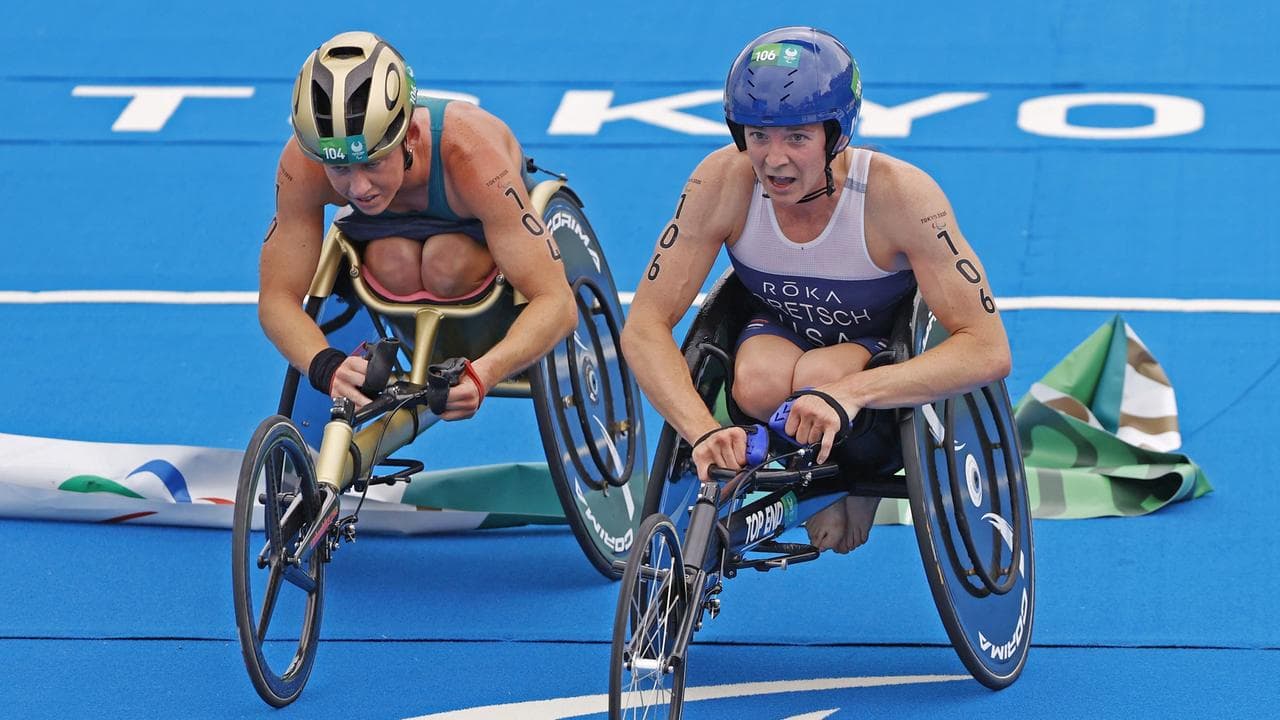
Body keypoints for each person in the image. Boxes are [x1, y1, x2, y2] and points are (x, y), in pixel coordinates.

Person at [621, 27, 1012, 554]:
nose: (774, 160)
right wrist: (700, 430)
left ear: (837, 133)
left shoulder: (900, 196)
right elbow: (643, 327)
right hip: (776, 349)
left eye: (797, 138)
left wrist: (852, 392)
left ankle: (846, 471)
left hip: (874, 372)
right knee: (757, 380)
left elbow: (988, 349)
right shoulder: (721, 182)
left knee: (820, 375)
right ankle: (803, 460)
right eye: (758, 135)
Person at [258, 31, 576, 419]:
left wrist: (486, 373)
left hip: (475, 239)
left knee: (446, 262)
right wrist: (326, 365)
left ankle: (468, 344)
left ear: (409, 136)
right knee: (394, 262)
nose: (358, 187)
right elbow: (277, 298)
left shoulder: (471, 156)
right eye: (339, 167)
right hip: (393, 248)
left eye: (373, 162)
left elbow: (558, 302)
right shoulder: (303, 162)